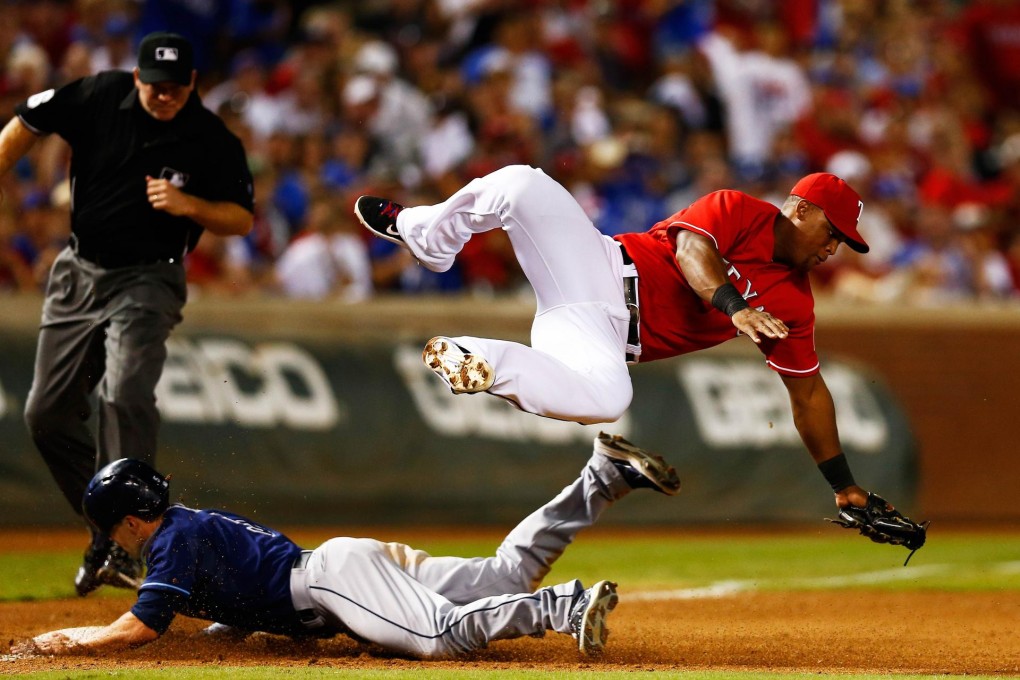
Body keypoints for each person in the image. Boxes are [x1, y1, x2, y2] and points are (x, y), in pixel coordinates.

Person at [353, 164, 889, 516]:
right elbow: (690, 254)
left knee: (610, 399)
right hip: (595, 264)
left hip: (601, 334)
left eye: (845, 242)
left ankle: (480, 359)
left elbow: (809, 395)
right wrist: (736, 307)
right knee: (523, 184)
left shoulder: (795, 303)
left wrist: (842, 485)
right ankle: (427, 236)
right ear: (800, 210)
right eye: (834, 233)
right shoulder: (738, 210)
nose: (835, 249)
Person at [13, 432, 681, 659]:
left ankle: (559, 609)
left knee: (439, 639)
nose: (116, 541)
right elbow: (233, 619)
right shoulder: (188, 531)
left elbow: (135, 630)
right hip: (340, 569)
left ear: (130, 519)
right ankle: (601, 478)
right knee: (502, 571)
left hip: (332, 581)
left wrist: (58, 643)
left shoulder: (173, 542)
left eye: (112, 528)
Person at [0, 32, 254, 595]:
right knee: (46, 414)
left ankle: (134, 542)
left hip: (149, 277)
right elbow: (27, 119)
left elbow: (240, 218)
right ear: (136, 78)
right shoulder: (95, 95)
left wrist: (191, 206)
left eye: (175, 86)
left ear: (192, 84)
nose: (164, 95)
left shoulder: (209, 138)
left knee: (125, 392)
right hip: (79, 271)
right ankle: (109, 530)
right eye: (154, 85)